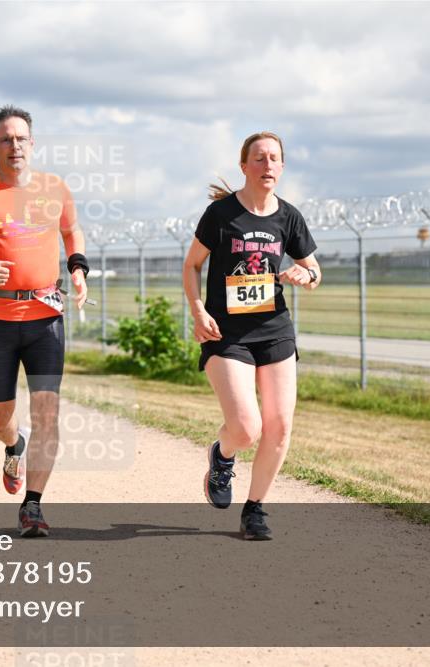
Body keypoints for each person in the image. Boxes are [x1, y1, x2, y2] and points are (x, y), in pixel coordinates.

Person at [0, 105, 89, 537]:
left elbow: (72, 231)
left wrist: (77, 267)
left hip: (45, 316)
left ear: (32, 143)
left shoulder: (55, 188)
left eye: (21, 138)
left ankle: (33, 507)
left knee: (47, 413)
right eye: (5, 139)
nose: (14, 146)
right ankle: (13, 444)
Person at [183, 131, 321, 541]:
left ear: (282, 167)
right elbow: (191, 266)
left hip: (275, 329)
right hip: (227, 333)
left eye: (274, 159)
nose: (267, 166)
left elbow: (314, 270)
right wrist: (197, 310)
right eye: (259, 159)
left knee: (279, 425)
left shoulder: (289, 217)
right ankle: (223, 454)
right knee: (246, 426)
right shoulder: (221, 215)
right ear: (244, 166)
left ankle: (255, 509)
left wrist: (304, 274)